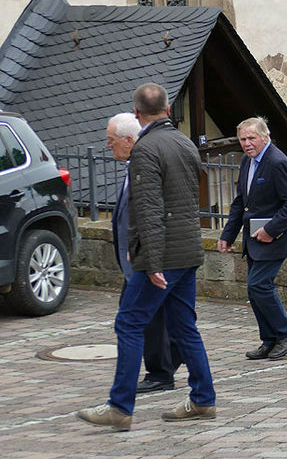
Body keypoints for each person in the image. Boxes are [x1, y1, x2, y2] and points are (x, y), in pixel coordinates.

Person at [76, 84, 216, 431]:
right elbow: (184, 203)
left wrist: (151, 263)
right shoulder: (185, 143)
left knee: (129, 322)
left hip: (162, 255)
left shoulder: (145, 150)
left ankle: (120, 406)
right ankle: (202, 399)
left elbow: (151, 211)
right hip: (188, 250)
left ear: (137, 115)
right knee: (185, 326)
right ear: (168, 110)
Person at [105, 112, 180, 393]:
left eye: (111, 141)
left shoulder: (145, 165)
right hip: (139, 257)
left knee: (133, 318)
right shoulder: (134, 165)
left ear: (128, 140)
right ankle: (166, 365)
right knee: (160, 316)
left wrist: (147, 254)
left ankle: (159, 373)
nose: (109, 146)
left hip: (148, 257)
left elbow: (153, 213)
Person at [218, 117, 287, 360]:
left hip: (275, 237)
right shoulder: (247, 161)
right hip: (253, 237)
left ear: (264, 137)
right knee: (254, 289)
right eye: (242, 139)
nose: (246, 143)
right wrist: (227, 235)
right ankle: (269, 339)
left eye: (251, 138)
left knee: (259, 285)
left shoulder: (277, 162)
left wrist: (271, 229)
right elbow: (240, 203)